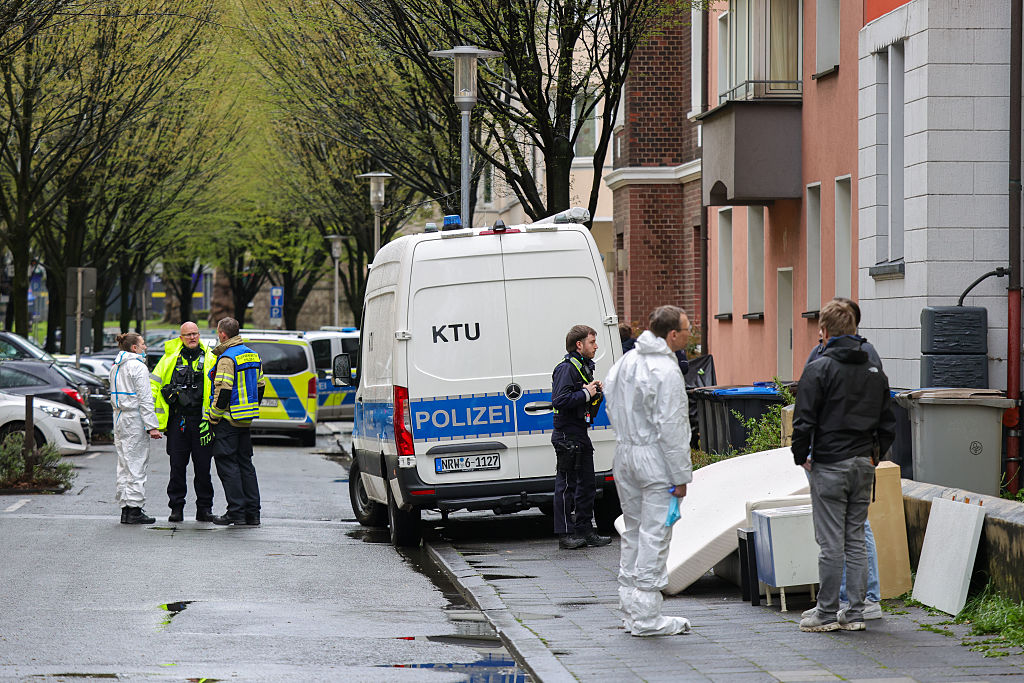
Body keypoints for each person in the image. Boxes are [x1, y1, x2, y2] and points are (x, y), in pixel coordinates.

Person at [793, 300, 896, 633]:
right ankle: (855, 612)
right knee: (855, 537)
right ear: (854, 330)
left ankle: (825, 612)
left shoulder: (819, 368)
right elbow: (888, 422)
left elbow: (803, 419)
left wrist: (801, 456)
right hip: (862, 462)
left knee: (830, 542)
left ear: (823, 332)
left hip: (829, 462)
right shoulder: (873, 369)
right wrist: (873, 455)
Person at [604, 305, 693, 637]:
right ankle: (646, 617)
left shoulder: (626, 361)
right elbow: (672, 428)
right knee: (655, 535)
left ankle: (630, 609)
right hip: (654, 460)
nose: (688, 336)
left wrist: (629, 436)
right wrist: (681, 476)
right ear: (672, 335)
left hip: (625, 453)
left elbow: (611, 401)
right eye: (686, 330)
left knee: (633, 531)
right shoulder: (666, 371)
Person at [551, 324, 612, 550]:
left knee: (587, 485)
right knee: (567, 486)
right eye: (592, 342)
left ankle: (585, 531)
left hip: (579, 433)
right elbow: (560, 400)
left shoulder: (583, 367)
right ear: (579, 344)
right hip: (567, 435)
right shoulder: (567, 368)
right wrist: (587, 392)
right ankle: (566, 534)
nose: (595, 346)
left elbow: (581, 400)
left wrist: (593, 393)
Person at [152, 321, 217, 523]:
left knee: (203, 468)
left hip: (202, 421)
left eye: (195, 334)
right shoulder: (169, 359)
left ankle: (204, 509)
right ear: (181, 338)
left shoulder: (211, 358)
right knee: (177, 467)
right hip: (178, 421)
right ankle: (176, 508)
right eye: (188, 334)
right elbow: (154, 386)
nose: (192, 337)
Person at [206, 317, 266, 527]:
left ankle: (236, 513)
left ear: (223, 334)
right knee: (246, 465)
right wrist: (250, 408)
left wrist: (213, 416)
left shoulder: (226, 358)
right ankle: (253, 514)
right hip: (245, 418)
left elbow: (223, 392)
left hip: (228, 420)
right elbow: (260, 386)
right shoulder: (252, 354)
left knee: (227, 464)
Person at [109, 332, 162, 524]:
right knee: (137, 464)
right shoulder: (138, 367)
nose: (145, 347)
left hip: (119, 418)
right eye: (143, 344)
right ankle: (135, 509)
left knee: (124, 464)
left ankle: (125, 507)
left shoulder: (116, 366)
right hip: (134, 419)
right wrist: (152, 426)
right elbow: (145, 399)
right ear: (134, 348)